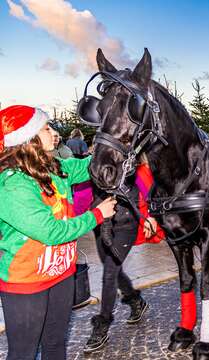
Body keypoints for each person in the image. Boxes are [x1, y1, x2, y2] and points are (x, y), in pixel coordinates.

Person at [0, 105, 116, 360]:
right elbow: (50, 232)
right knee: (23, 353)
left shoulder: (53, 166)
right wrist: (97, 215)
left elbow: (86, 166)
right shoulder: (12, 183)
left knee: (55, 344)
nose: (54, 133)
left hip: (61, 275)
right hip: (26, 284)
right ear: (27, 139)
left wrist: (112, 146)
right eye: (46, 128)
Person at [84, 159, 163, 353]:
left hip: (126, 226)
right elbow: (84, 191)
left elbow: (152, 189)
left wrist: (152, 215)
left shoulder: (132, 166)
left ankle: (102, 324)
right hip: (101, 224)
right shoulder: (95, 164)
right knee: (114, 271)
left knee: (110, 273)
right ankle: (136, 301)